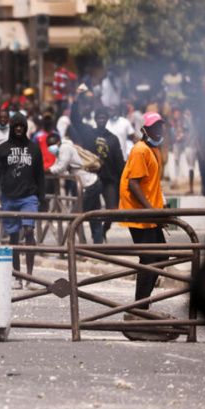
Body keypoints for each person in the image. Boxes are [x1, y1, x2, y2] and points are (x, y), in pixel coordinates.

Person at [0, 113, 45, 290]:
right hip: (8, 197)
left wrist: (42, 198)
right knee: (13, 236)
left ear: (26, 127)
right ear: (12, 128)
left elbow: (40, 176)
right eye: (16, 126)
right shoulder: (2, 149)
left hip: (29, 197)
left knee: (29, 232)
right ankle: (18, 276)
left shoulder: (34, 149)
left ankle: (29, 276)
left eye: (22, 125)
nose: (19, 128)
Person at [119, 112, 167, 312]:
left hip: (150, 212)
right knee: (148, 259)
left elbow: (152, 184)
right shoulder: (140, 150)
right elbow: (133, 184)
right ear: (143, 130)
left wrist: (160, 209)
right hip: (139, 213)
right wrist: (151, 210)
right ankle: (139, 308)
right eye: (154, 127)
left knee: (162, 257)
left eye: (160, 126)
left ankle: (142, 303)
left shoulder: (152, 150)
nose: (158, 131)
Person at [71, 103, 125, 239]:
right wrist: (78, 100)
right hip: (92, 178)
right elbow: (75, 119)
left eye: (104, 118)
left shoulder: (113, 139)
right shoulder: (88, 133)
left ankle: (103, 232)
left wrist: (124, 181)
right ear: (95, 119)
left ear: (107, 119)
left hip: (109, 179)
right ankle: (89, 238)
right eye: (99, 118)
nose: (101, 120)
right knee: (87, 210)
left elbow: (119, 162)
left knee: (112, 211)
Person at [45, 133, 103, 244]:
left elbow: (60, 168)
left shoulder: (65, 148)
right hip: (91, 183)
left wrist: (44, 170)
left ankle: (84, 247)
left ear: (59, 142)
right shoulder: (61, 150)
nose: (51, 147)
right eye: (49, 145)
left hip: (89, 185)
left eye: (53, 144)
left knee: (75, 218)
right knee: (94, 218)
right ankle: (95, 247)